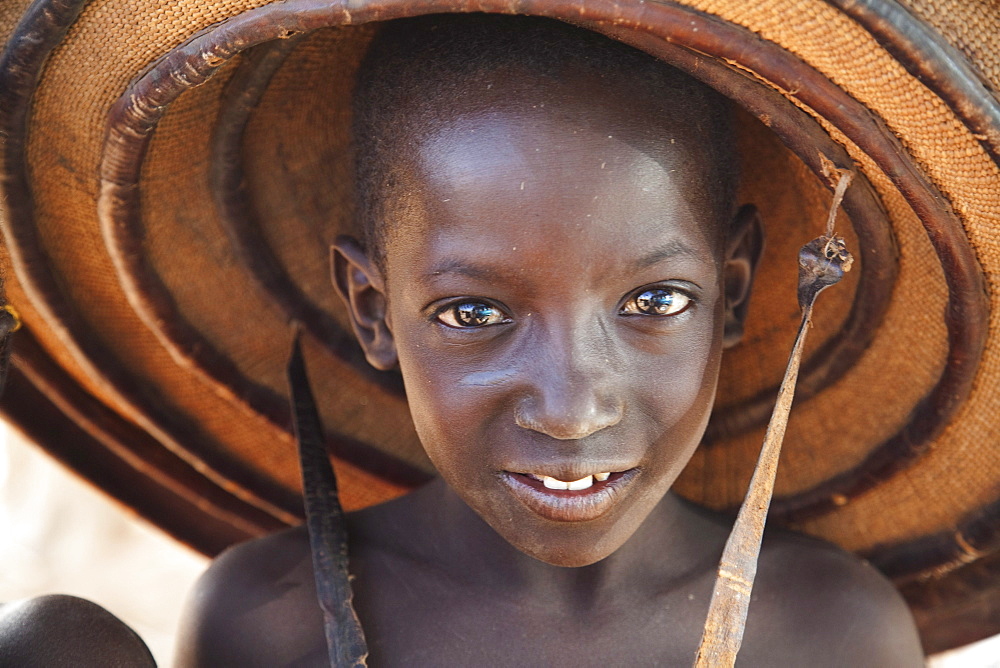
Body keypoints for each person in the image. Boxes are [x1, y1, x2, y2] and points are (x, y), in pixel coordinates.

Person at [174, 16, 924, 666]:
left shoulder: (836, 636)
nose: (572, 411)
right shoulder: (263, 627)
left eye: (655, 300)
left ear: (729, 293)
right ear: (374, 310)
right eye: (473, 313)